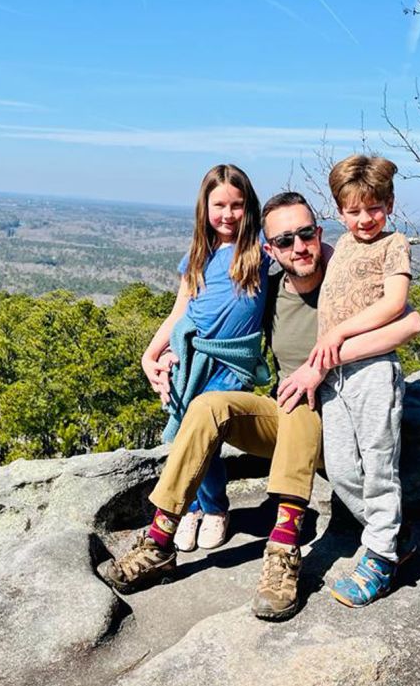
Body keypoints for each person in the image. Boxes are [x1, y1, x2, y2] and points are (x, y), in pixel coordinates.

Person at [103, 191, 420, 621]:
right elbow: (200, 309)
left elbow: (410, 322)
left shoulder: (343, 276)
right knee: (208, 407)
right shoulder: (270, 289)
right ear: (270, 249)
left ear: (320, 233)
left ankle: (284, 550)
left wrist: (319, 365)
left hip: (343, 422)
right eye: (285, 240)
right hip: (291, 426)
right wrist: (164, 352)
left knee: (299, 398)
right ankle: (160, 542)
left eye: (306, 234)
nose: (299, 247)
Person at [139, 163, 271, 552]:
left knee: (205, 436)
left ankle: (215, 509)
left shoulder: (259, 249)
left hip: (230, 362)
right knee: (185, 434)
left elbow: (305, 248)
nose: (228, 215)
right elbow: (181, 311)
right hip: (190, 357)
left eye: (237, 205)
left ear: (249, 208)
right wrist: (150, 355)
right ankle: (192, 508)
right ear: (205, 207)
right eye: (219, 205)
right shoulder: (198, 255)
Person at [310, 154, 412, 608]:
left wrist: (339, 333)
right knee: (342, 468)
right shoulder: (343, 245)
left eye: (373, 208)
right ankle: (394, 534)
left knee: (378, 463)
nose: (365, 219)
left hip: (373, 370)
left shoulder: (394, 245)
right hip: (336, 377)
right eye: (353, 210)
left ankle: (380, 558)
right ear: (338, 211)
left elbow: (395, 305)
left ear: (388, 203)